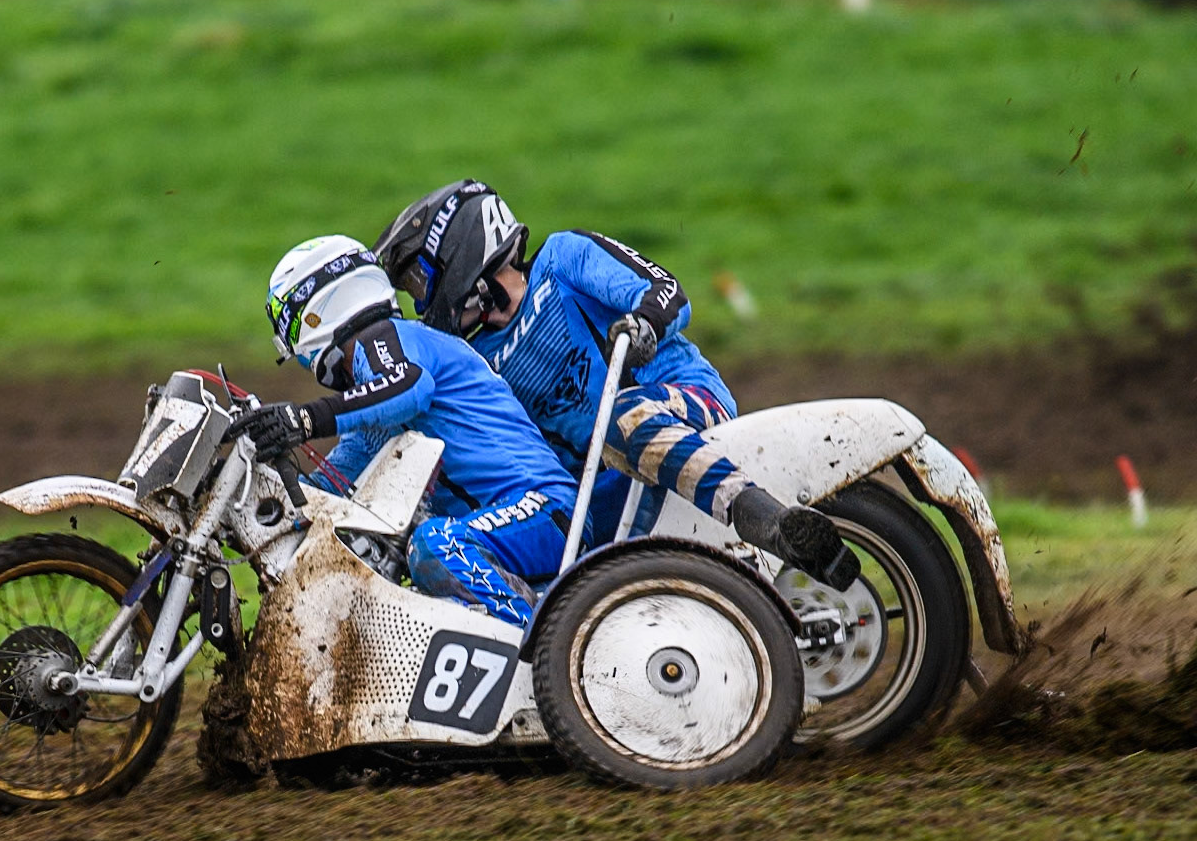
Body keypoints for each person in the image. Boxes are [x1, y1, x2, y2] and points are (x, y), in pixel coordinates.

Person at [374, 180, 859, 592]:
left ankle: (771, 523)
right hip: (602, 486)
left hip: (687, 402)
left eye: (419, 282)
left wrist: (644, 323)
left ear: (456, 252)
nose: (420, 304)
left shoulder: (563, 259)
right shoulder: (476, 359)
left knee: (621, 420)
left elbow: (666, 291)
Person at [226, 234, 582, 626]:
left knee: (434, 543)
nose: (292, 348)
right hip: (512, 528)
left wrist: (304, 419)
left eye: (289, 327)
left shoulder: (389, 337)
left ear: (316, 310)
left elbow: (410, 388)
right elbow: (324, 494)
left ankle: (531, 647)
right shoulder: (375, 405)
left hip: (545, 508)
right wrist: (241, 502)